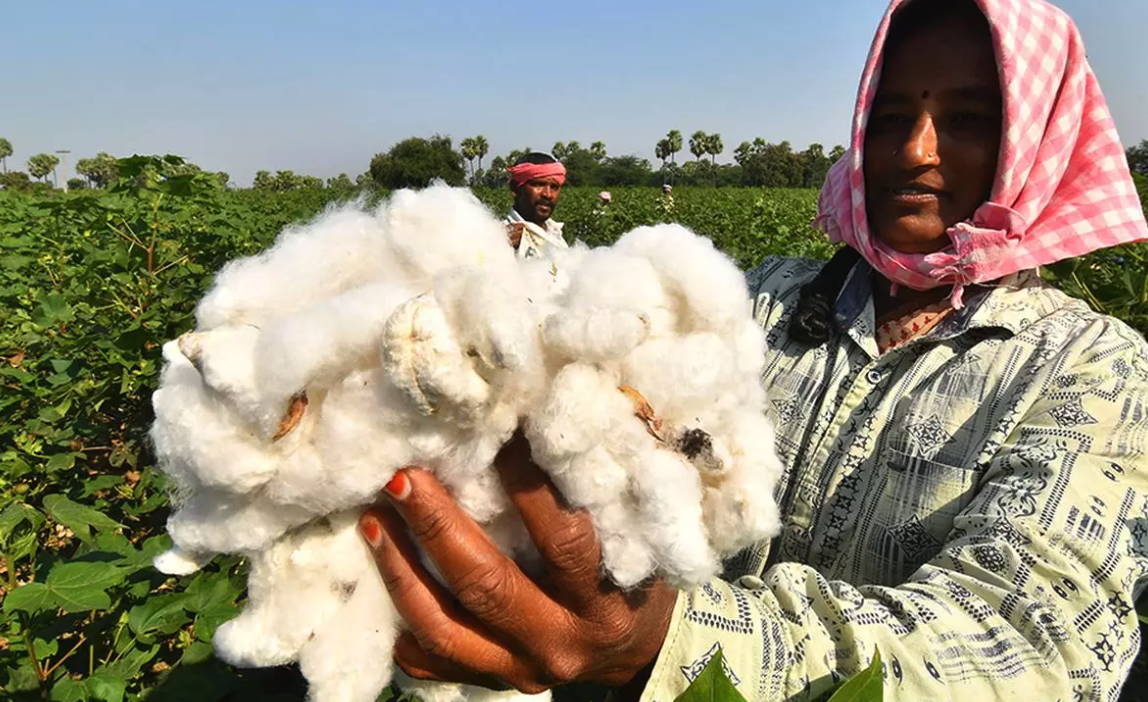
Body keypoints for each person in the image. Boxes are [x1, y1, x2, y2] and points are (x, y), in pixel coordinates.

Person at [356, 0, 1148, 699]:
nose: (914, 151)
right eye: (890, 116)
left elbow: (1034, 646)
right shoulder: (758, 296)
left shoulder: (1092, 368)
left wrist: (668, 641)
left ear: (1038, 141)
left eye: (970, 119)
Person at [505, 152, 569, 259]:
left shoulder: (555, 233)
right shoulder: (504, 239)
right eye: (538, 184)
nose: (548, 194)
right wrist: (499, 246)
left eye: (554, 187)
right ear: (515, 188)